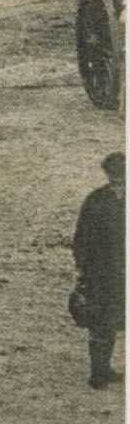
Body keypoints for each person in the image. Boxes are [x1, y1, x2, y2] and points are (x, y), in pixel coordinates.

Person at [73, 152, 126, 389]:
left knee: (114, 319)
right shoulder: (95, 201)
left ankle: (104, 368)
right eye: (116, 175)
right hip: (100, 272)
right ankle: (98, 373)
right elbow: (81, 239)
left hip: (121, 271)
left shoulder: (102, 199)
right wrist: (83, 269)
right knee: (99, 321)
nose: (119, 180)